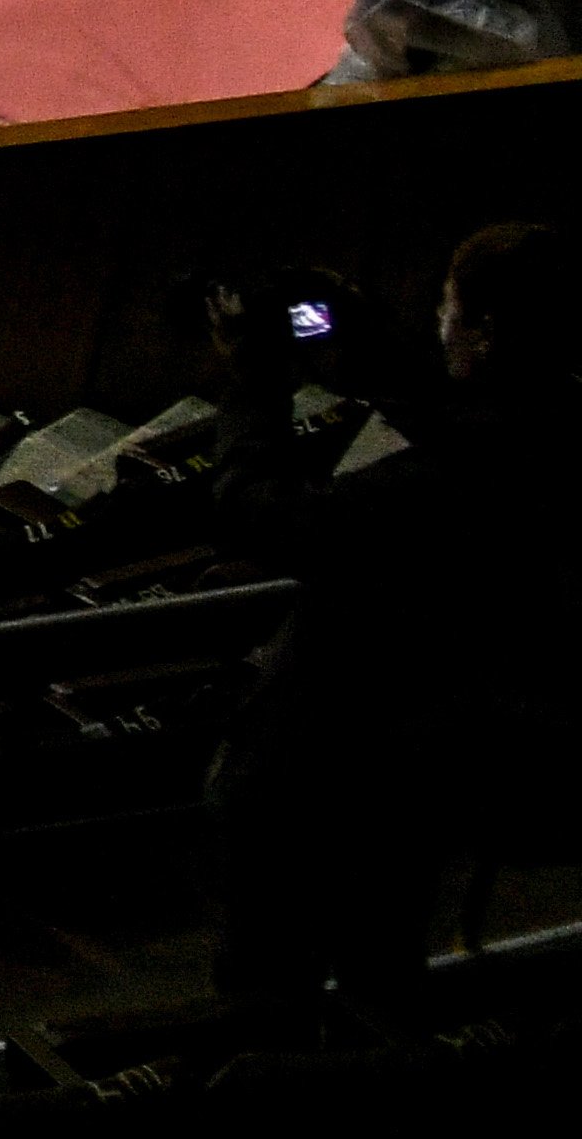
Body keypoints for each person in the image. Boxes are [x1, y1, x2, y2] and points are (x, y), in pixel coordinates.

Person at [205, 218, 581, 1012]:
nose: (441, 322)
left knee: (273, 983)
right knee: (383, 957)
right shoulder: (557, 428)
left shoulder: (439, 484)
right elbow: (492, 418)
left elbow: (265, 516)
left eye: (449, 308)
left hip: (335, 764)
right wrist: (376, 358)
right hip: (440, 759)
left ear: (480, 329)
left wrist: (252, 386)